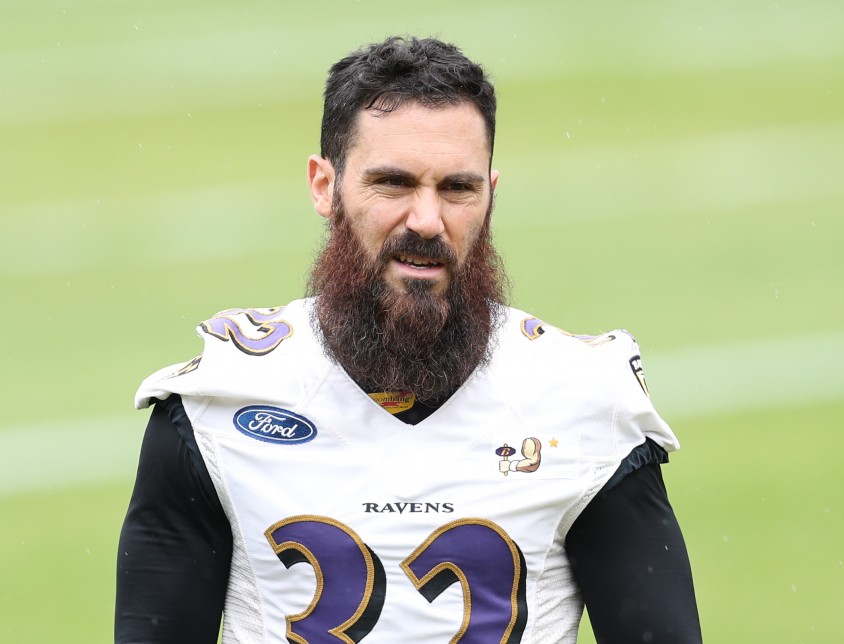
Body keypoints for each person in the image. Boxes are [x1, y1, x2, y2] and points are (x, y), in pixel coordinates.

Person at [116, 36, 701, 644]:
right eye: (393, 184)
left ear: (491, 195)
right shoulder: (219, 404)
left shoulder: (582, 402)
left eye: (458, 188)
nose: (427, 219)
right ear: (325, 185)